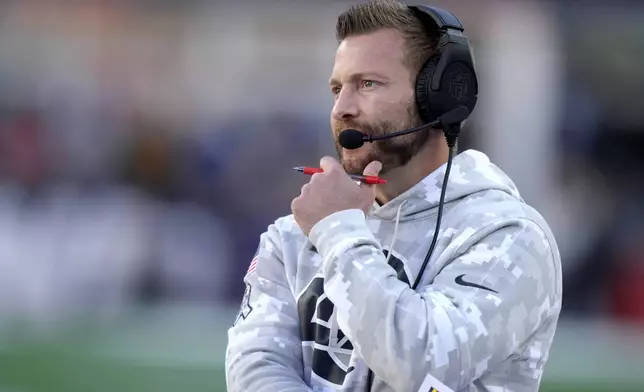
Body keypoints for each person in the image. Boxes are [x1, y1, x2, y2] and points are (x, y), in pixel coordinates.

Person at [225, 1, 562, 391]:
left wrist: (338, 233)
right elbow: (255, 367)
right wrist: (334, 226)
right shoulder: (295, 233)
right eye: (337, 88)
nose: (342, 108)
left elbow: (424, 366)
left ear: (438, 98)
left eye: (367, 84)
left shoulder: (509, 238)